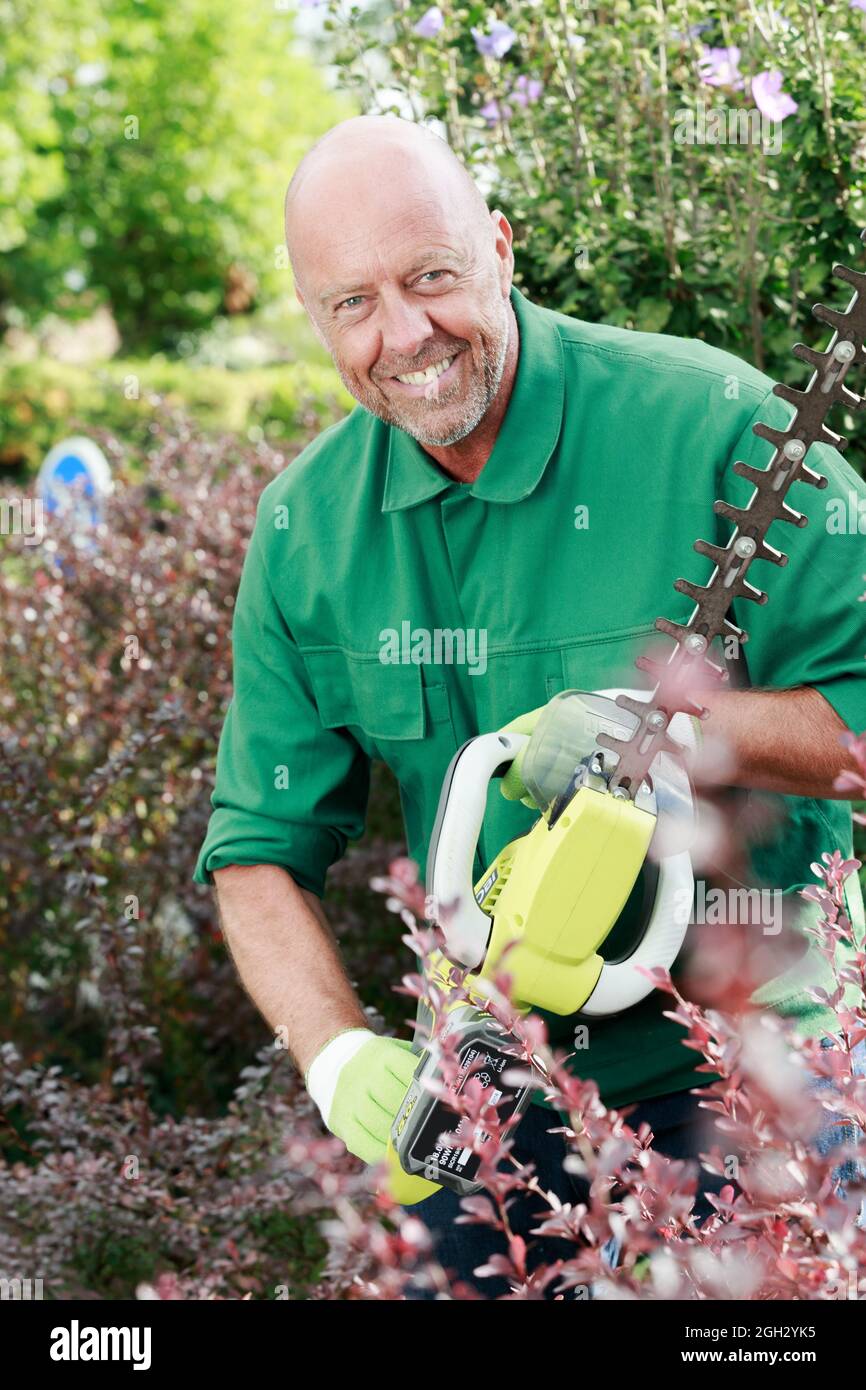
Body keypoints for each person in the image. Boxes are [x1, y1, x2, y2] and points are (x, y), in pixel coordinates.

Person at [194, 114, 866, 1297]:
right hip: (499, 1094)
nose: (403, 334)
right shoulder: (307, 535)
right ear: (312, 319)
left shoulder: (713, 425)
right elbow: (255, 856)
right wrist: (339, 1055)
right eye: (351, 303)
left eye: (432, 277)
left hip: (751, 1064)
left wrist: (682, 731)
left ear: (499, 250)